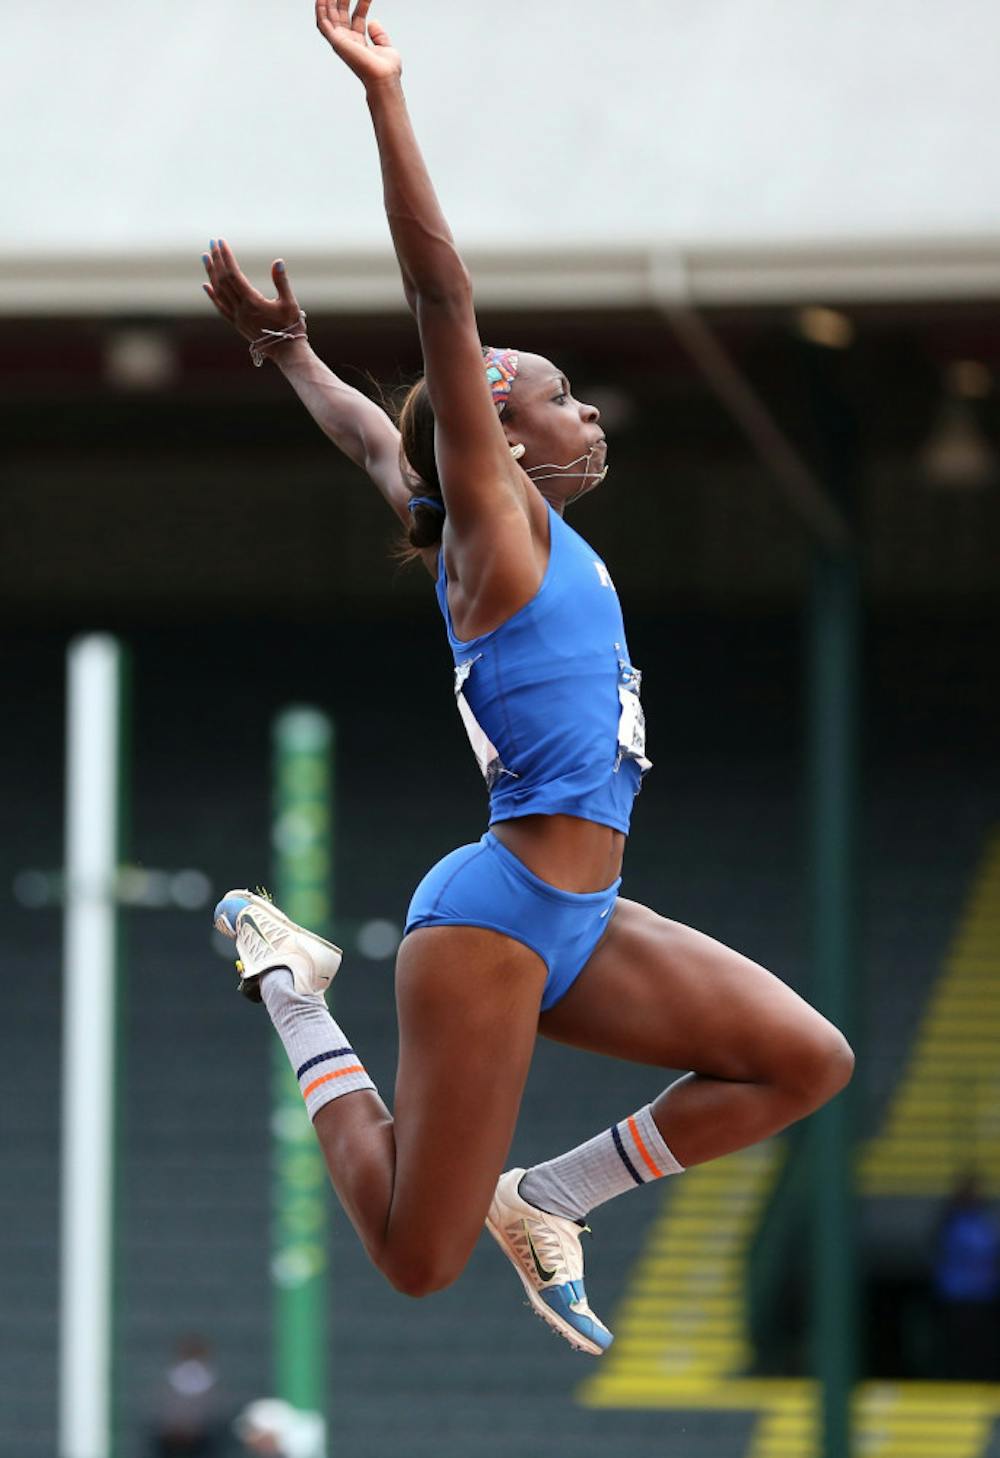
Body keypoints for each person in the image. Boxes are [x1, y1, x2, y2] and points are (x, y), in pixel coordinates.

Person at [207, 0, 854, 1357]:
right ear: (496, 422)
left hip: (584, 905)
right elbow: (442, 295)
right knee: (414, 1259)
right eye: (562, 392)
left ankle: (549, 1197)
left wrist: (289, 354)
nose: (590, 410)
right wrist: (386, 95)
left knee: (806, 1060)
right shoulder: (492, 528)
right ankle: (288, 977)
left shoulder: (479, 519)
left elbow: (367, 443)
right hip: (495, 919)